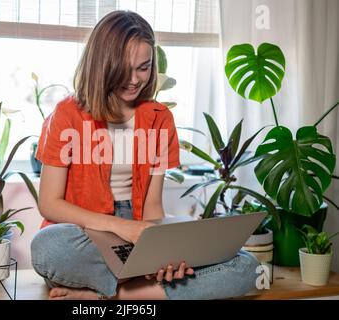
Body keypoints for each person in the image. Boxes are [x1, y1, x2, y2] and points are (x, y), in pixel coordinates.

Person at [30, 10, 259, 300]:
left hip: (140, 235)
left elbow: (152, 209)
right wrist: (122, 227)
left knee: (246, 266)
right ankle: (143, 292)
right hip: (83, 232)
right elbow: (49, 204)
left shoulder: (160, 118)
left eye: (144, 68)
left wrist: (163, 257)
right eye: (124, 68)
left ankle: (108, 294)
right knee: (48, 247)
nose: (134, 79)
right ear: (102, 63)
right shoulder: (66, 114)